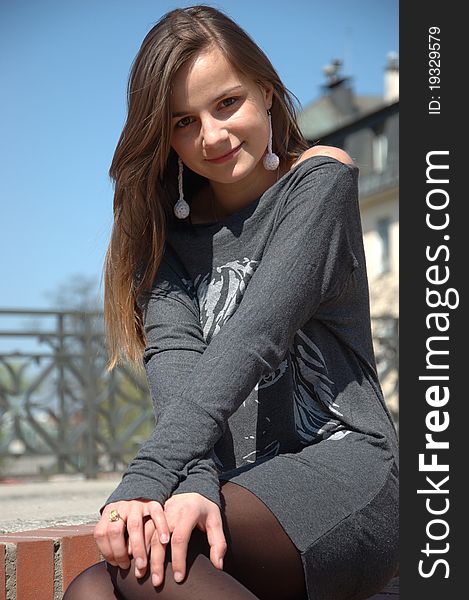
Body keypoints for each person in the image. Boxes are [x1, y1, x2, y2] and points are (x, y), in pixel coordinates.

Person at [63, 5, 399, 600]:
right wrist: (191, 481)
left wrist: (144, 481)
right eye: (183, 122)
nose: (212, 136)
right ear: (163, 137)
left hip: (346, 472)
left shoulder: (320, 181)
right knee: (93, 588)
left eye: (227, 104)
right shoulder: (162, 239)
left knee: (147, 568)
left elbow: (256, 336)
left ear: (266, 94)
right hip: (238, 486)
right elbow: (179, 378)